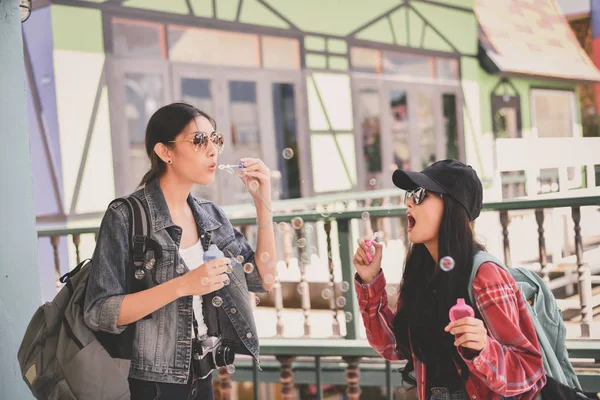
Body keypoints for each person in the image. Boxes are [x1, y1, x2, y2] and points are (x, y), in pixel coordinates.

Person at [84, 102, 276, 400]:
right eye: (200, 140)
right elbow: (98, 312)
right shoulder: (125, 216)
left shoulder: (211, 216)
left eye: (216, 139)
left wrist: (263, 204)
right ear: (165, 152)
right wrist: (184, 285)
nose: (213, 150)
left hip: (202, 377)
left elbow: (264, 279)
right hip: (149, 385)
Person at [353, 159, 546, 400]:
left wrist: (484, 348)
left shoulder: (485, 276)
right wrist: (370, 281)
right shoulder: (421, 274)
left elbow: (529, 371)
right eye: (409, 194)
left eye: (420, 194)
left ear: (454, 206)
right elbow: (393, 346)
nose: (410, 201)